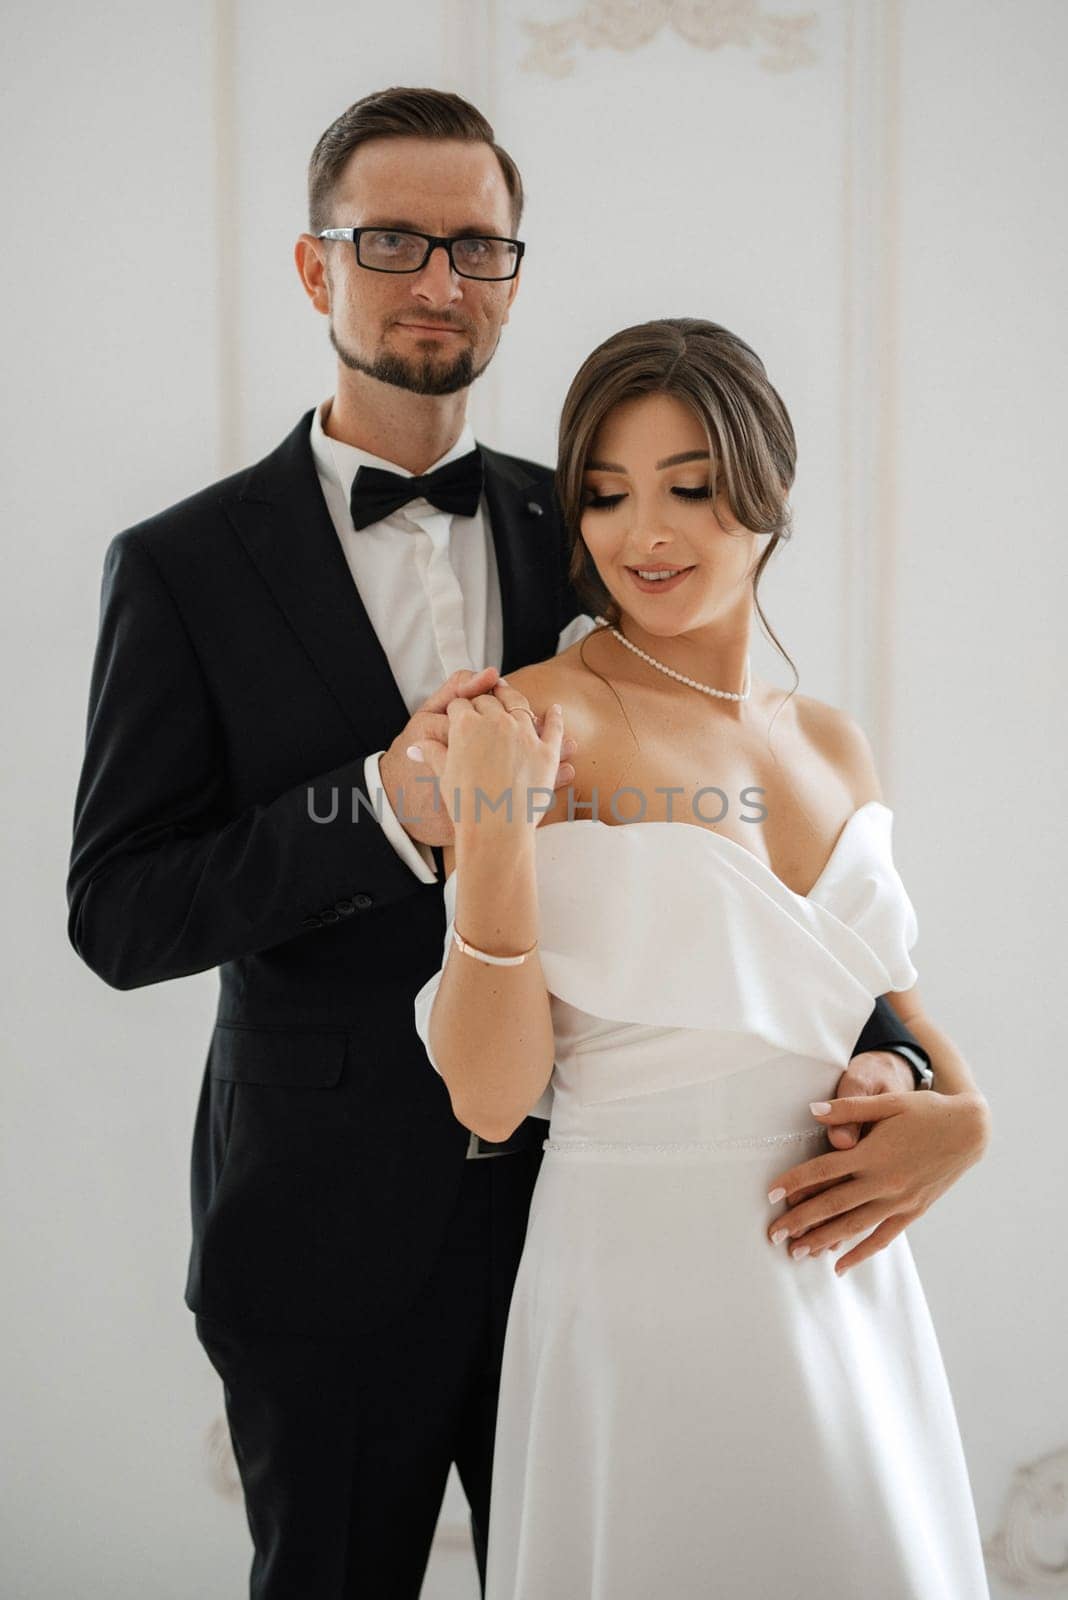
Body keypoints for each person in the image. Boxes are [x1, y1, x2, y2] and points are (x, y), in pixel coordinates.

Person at [65, 83, 957, 1600]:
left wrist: (922, 1073)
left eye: (476, 247)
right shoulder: (183, 568)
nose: (435, 280)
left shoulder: (602, 529)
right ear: (313, 265)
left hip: (603, 1219)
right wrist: (385, 811)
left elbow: (738, 870)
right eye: (392, 240)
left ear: (514, 275)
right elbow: (122, 912)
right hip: (330, 1226)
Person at [412, 318, 993, 1598]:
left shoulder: (831, 741)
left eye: (688, 486)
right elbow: (490, 1095)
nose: (643, 534)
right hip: (638, 1275)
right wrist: (495, 835)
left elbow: (879, 1010)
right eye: (607, 496)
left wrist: (964, 1116)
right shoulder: (541, 717)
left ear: (765, 491)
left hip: (844, 1281)